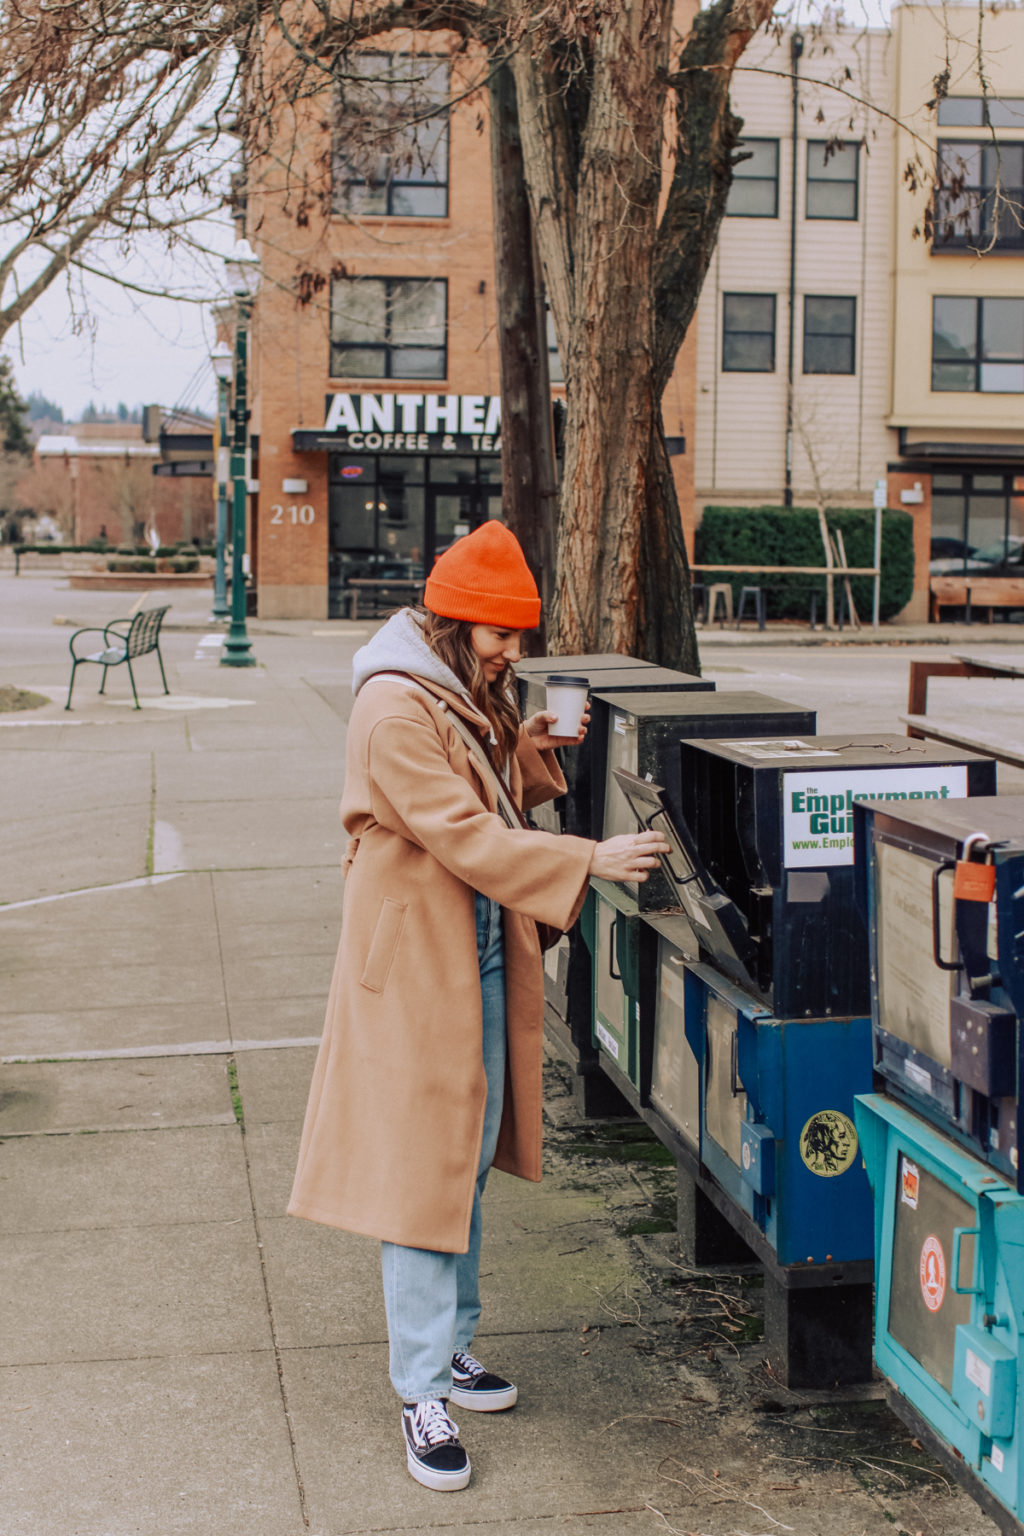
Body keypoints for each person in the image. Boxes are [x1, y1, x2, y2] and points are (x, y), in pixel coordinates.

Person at [288, 521, 670, 1492]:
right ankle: (419, 1388)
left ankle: (449, 1351)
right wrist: (586, 855)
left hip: (469, 954)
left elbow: (484, 798)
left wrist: (530, 745)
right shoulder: (393, 706)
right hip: (420, 963)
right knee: (424, 1177)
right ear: (451, 623)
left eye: (516, 638)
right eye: (500, 636)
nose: (513, 654)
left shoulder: (448, 690)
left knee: (465, 1160)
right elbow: (459, 831)